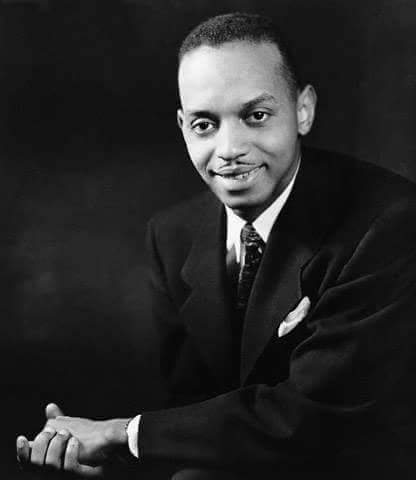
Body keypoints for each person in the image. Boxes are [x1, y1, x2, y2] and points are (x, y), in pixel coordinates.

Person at [16, 12, 416, 479]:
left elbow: (316, 415)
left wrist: (121, 435)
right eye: (205, 125)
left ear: (303, 110)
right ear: (183, 126)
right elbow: (192, 413)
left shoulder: (388, 222)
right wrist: (99, 454)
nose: (229, 148)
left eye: (256, 116)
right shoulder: (172, 236)